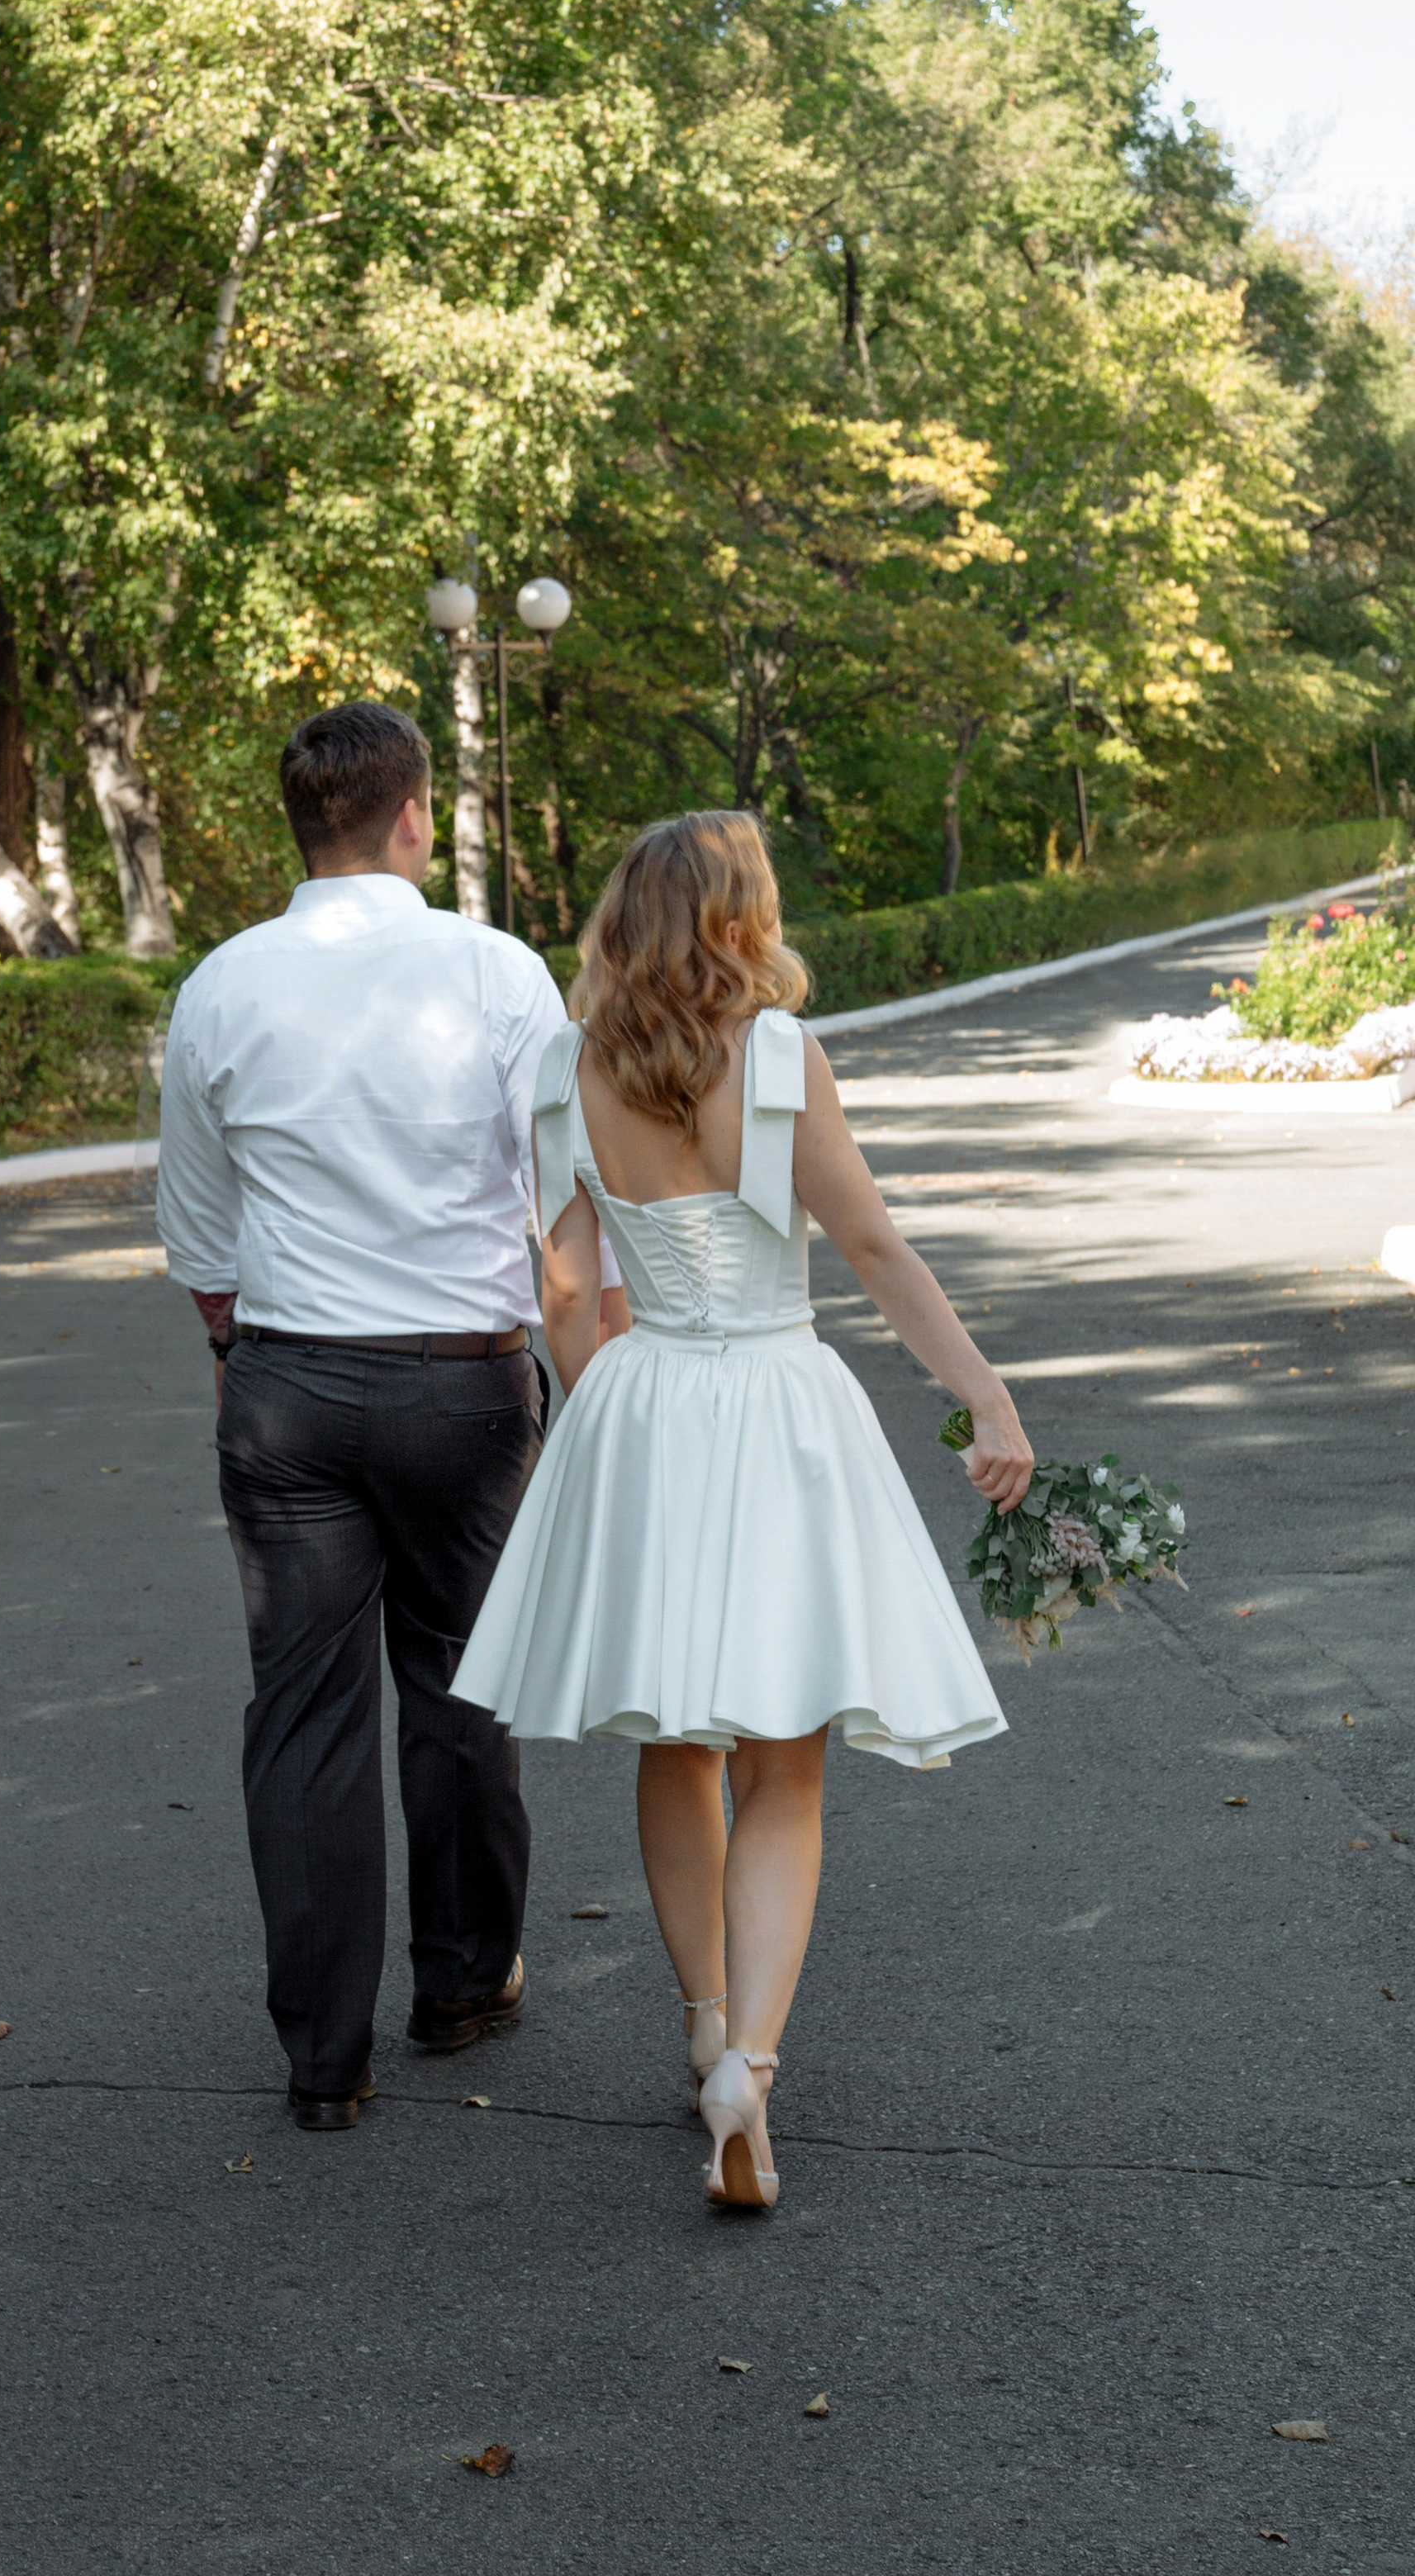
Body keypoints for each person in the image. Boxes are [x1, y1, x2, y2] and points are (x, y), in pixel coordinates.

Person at [451, 809, 1033, 2212]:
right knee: (786, 1757)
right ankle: (748, 2075)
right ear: (736, 916)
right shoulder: (776, 1058)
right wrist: (988, 1401)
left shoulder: (565, 1068)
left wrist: (603, 1399)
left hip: (645, 1406)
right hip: (775, 1402)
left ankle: (705, 2020)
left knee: (675, 1734)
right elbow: (873, 1245)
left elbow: (565, 1287)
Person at [155, 700, 613, 2132]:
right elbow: (561, 1198)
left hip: (286, 1384)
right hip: (461, 1382)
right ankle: (468, 1983)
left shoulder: (221, 986)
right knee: (463, 1687)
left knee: (301, 1715)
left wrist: (244, 1358)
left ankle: (322, 2060)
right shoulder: (495, 971)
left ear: (298, 827)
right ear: (413, 817)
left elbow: (199, 1229)